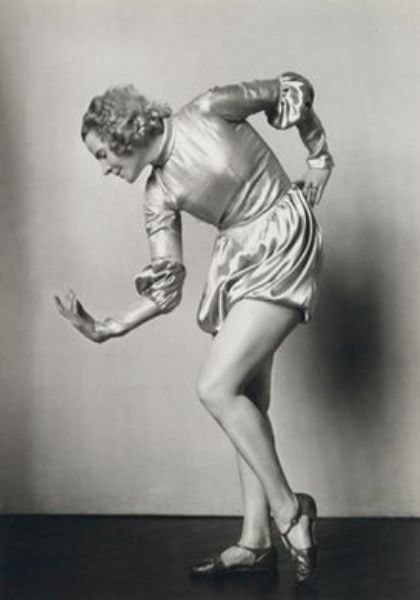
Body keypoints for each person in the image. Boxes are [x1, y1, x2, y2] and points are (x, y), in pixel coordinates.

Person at [55, 72, 333, 581]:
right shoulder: (157, 193)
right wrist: (106, 327)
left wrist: (318, 157)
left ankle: (289, 510)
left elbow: (287, 90)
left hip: (283, 237)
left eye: (102, 154)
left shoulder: (208, 108)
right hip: (239, 261)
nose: (105, 168)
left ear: (121, 132)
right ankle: (255, 541)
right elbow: (166, 288)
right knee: (246, 397)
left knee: (215, 387)